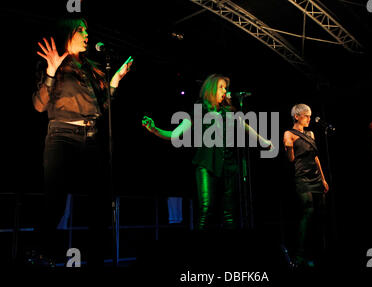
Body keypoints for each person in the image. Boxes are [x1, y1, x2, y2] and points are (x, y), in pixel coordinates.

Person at [32, 17, 133, 266]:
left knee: (98, 202)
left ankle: (95, 257)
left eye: (87, 30)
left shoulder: (91, 68)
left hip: (92, 137)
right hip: (62, 136)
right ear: (69, 33)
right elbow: (39, 105)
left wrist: (114, 82)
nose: (87, 34)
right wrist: (51, 71)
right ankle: (37, 253)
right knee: (55, 200)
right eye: (81, 30)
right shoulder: (54, 62)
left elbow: (101, 108)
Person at [142, 74, 272, 231]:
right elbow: (175, 134)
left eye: (225, 88)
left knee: (230, 214)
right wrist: (156, 130)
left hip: (228, 166)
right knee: (206, 209)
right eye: (221, 87)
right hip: (206, 164)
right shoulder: (200, 109)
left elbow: (246, 127)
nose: (224, 91)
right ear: (211, 89)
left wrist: (263, 142)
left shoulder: (229, 111)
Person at [283, 103, 329, 268]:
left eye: (310, 115)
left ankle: (318, 251)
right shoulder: (289, 134)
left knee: (320, 213)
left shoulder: (310, 133)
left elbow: (316, 158)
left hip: (316, 177)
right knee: (307, 211)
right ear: (297, 116)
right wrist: (289, 148)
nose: (309, 118)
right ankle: (300, 254)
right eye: (306, 115)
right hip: (302, 178)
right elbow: (291, 159)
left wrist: (323, 179)